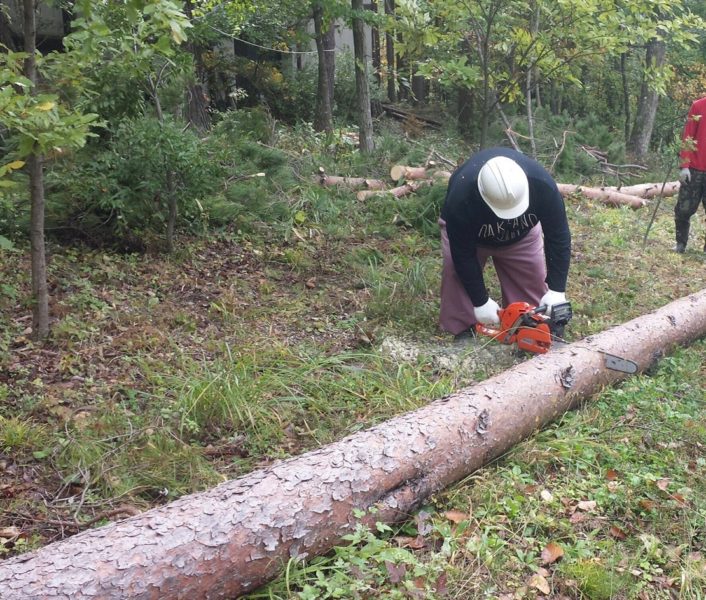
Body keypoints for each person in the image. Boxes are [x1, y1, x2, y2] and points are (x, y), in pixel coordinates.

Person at [438, 147, 571, 337]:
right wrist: (480, 301)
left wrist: (557, 289)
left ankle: (527, 329)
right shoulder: (461, 197)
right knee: (457, 277)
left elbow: (558, 236)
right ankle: (462, 330)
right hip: (472, 241)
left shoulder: (542, 185)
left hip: (522, 237)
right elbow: (462, 254)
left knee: (532, 296)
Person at [675, 95, 706, 254]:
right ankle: (680, 244)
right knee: (684, 209)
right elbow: (687, 137)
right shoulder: (698, 106)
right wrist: (684, 165)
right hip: (694, 169)